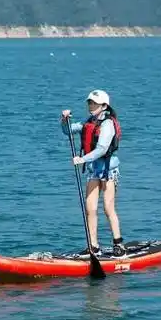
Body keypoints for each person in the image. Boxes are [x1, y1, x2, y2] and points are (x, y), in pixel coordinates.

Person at [61, 89, 125, 257]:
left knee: (108, 208)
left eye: (94, 103)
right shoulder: (88, 122)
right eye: (89, 102)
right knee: (90, 209)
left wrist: (82, 159)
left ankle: (119, 245)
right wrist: (65, 120)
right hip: (93, 170)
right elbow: (68, 131)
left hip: (108, 170)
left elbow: (102, 149)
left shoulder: (108, 124)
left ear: (104, 106)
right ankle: (93, 246)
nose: (91, 105)